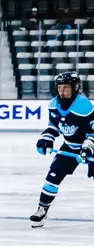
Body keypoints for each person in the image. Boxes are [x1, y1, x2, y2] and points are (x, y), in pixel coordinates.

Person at [32, 71, 94, 227]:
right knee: (52, 178)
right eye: (60, 88)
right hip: (70, 147)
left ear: (75, 88)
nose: (62, 91)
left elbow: (92, 132)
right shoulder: (54, 104)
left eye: (66, 88)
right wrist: (46, 139)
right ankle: (42, 209)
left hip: (90, 147)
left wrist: (87, 149)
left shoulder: (84, 106)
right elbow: (53, 126)